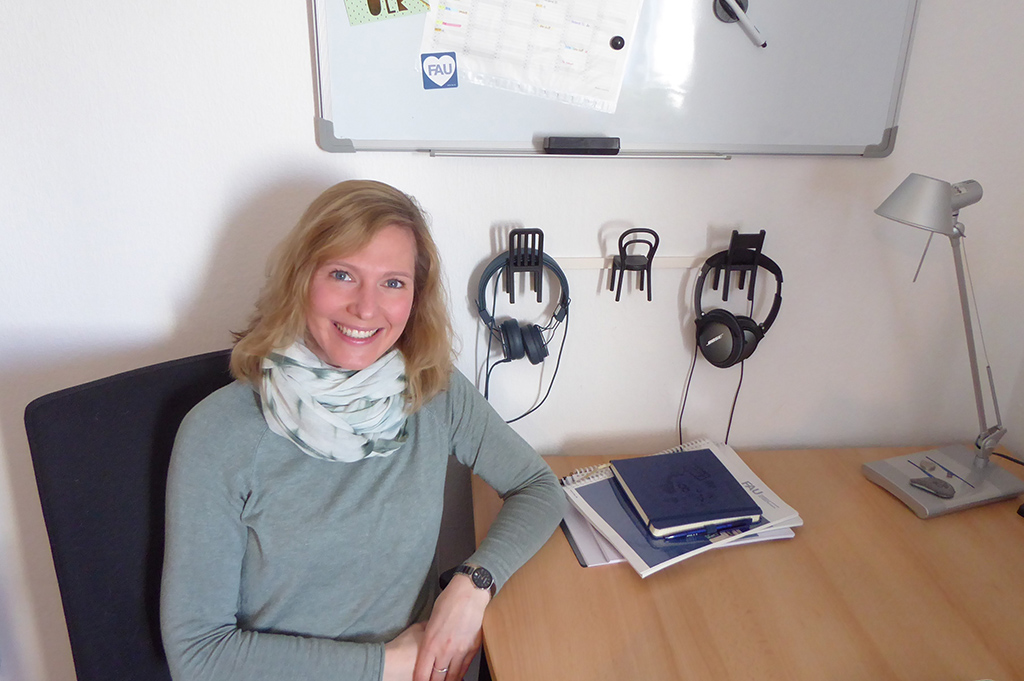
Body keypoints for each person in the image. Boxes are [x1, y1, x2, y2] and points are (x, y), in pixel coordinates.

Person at [160, 180, 565, 681]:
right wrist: (387, 665)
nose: (366, 309)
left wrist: (473, 583)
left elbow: (540, 488)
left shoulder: (432, 390)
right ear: (300, 279)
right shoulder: (219, 433)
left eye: (393, 282)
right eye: (342, 275)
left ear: (414, 298)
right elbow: (199, 656)